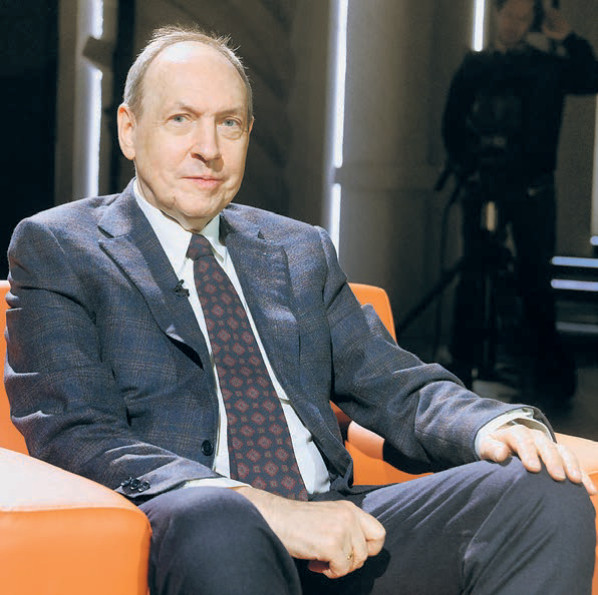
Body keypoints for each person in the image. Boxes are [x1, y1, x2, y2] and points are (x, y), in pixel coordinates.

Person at [4, 25, 596, 595]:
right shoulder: (60, 248)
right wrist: (263, 508)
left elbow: (395, 383)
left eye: (229, 123)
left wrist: (490, 426)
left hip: (340, 529)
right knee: (220, 522)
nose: (208, 148)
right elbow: (75, 433)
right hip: (202, 531)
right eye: (181, 119)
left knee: (543, 493)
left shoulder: (297, 249)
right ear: (130, 130)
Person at [442, 0, 598, 404]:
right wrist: (467, 169)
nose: (513, 23)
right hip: (483, 185)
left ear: (534, 22)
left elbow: (590, 76)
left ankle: (543, 376)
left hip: (532, 189)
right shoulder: (475, 66)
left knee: (535, 277)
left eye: (522, 17)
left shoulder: (546, 67)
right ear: (496, 13)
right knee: (473, 275)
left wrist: (568, 39)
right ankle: (461, 368)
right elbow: (452, 125)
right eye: (509, 14)